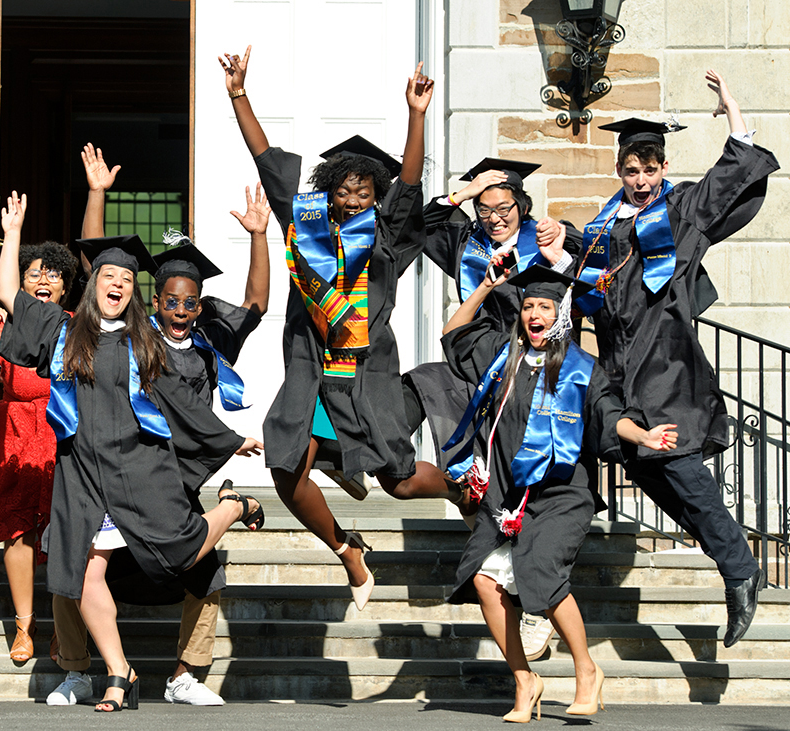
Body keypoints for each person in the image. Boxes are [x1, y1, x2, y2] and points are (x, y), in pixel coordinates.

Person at [0, 192, 265, 712]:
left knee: (187, 550)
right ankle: (120, 674)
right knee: (82, 572)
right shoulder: (61, 330)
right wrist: (11, 237)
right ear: (92, 283)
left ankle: (232, 507)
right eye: (107, 276)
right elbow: (11, 294)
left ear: (134, 292)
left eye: (126, 279)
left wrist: (232, 440)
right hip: (81, 473)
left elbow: (180, 403)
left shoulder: (147, 342)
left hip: (138, 466)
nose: (117, 284)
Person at [221, 47, 453, 611]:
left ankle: (474, 490)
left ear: (375, 198)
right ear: (326, 194)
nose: (351, 202)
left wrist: (416, 116)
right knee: (283, 467)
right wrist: (237, 96)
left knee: (397, 481)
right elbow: (270, 164)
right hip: (311, 370)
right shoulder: (308, 232)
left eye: (363, 194)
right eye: (342, 193)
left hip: (366, 374)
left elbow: (409, 185)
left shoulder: (387, 241)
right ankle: (347, 547)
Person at [573, 70, 779, 647]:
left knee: (681, 465)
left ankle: (740, 570)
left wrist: (733, 106)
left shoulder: (681, 210)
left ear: (663, 168)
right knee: (643, 464)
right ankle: (730, 555)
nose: (641, 180)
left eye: (650, 169)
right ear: (619, 172)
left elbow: (729, 173)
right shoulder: (602, 230)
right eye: (631, 170)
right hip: (619, 364)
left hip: (667, 363)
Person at [442, 264, 678, 721]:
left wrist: (643, 437)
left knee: (541, 572)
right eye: (528, 306)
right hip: (508, 492)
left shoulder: (581, 370)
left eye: (544, 307)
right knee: (484, 580)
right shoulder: (501, 356)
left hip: (563, 493)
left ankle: (586, 671)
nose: (534, 314)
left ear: (562, 315)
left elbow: (610, 417)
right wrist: (487, 287)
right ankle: (524, 679)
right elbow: (454, 333)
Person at [411, 157, 579, 656]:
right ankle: (516, 589)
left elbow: (586, 283)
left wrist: (562, 241)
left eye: (503, 207)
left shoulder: (544, 240)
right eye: (485, 209)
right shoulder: (466, 242)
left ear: (521, 207)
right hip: (482, 369)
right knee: (493, 489)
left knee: (534, 487)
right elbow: (420, 225)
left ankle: (538, 601)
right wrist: (463, 192)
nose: (494, 217)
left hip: (535, 375)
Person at [0, 240, 77, 663]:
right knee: (18, 533)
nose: (44, 280)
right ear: (19, 284)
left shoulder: (78, 327)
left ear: (66, 286)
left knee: (68, 532)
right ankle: (24, 627)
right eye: (34, 273)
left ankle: (66, 629)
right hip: (14, 440)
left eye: (54, 274)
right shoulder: (0, 332)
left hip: (63, 435)